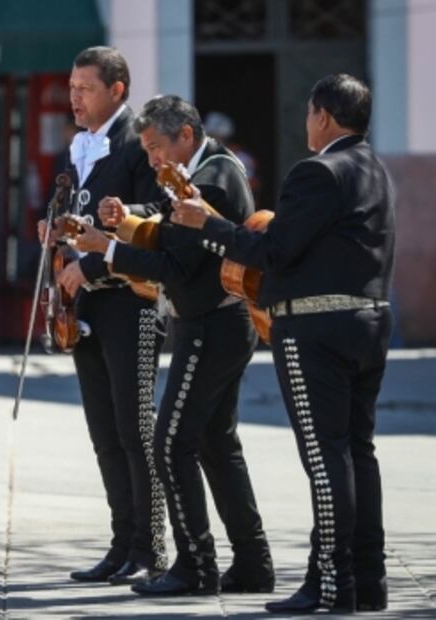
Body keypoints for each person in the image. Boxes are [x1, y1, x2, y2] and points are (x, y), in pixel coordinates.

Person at [170, 74, 394, 614]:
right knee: (357, 452)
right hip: (368, 322)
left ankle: (332, 583)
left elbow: (274, 248)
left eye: (308, 115)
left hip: (316, 330)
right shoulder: (374, 168)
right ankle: (367, 579)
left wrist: (210, 223)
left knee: (325, 458)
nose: (305, 124)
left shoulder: (318, 171)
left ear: (321, 116)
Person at [74, 95, 274, 596]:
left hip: (213, 325)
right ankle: (253, 563)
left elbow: (176, 265)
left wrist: (110, 249)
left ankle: (195, 564)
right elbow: (163, 217)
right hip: (207, 323)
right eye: (144, 150)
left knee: (169, 441)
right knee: (216, 445)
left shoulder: (214, 179)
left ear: (186, 134)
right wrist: (127, 213)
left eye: (157, 147)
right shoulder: (195, 172)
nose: (152, 160)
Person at [37, 46, 167, 585]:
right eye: (71, 87)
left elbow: (158, 218)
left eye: (85, 88)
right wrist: (54, 229)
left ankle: (150, 545)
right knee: (104, 432)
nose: (75, 98)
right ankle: (120, 542)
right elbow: (76, 213)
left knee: (136, 428)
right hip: (81, 305)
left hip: (127, 299)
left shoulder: (139, 142)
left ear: (117, 90)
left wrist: (92, 260)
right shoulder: (78, 148)